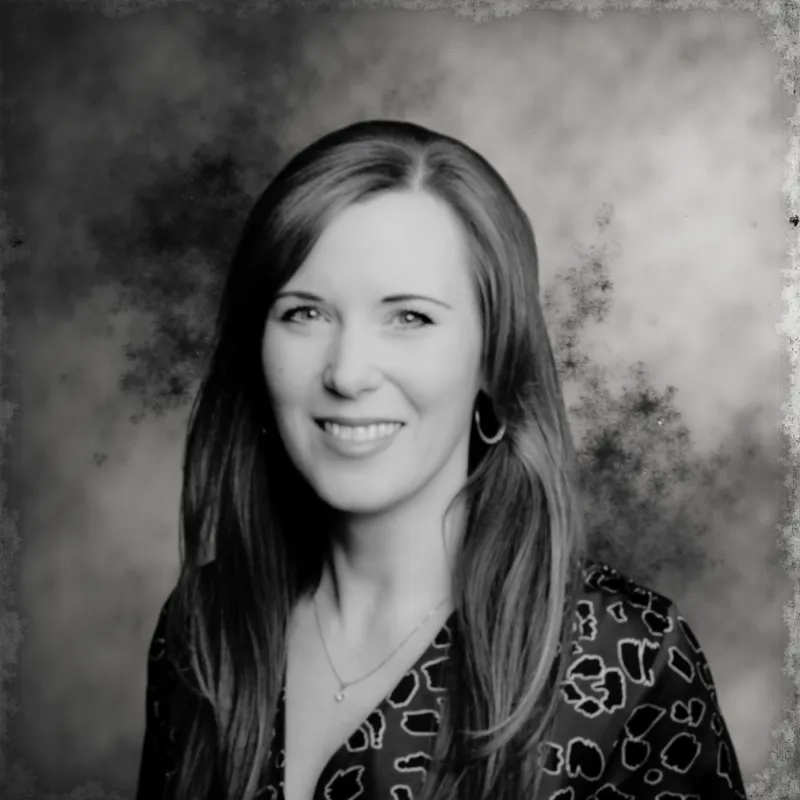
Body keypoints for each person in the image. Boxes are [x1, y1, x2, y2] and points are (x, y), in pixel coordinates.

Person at [136, 119, 748, 800]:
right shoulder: (204, 625)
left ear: (493, 357)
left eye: (410, 318)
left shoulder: (630, 661)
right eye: (305, 313)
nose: (348, 373)